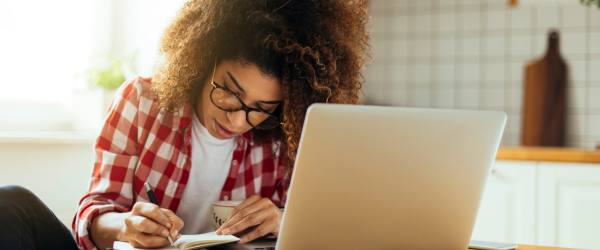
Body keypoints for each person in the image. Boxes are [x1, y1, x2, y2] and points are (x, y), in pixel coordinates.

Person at [0, 0, 370, 249]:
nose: (237, 119)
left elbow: (320, 227)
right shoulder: (142, 100)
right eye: (228, 91)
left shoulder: (285, 135)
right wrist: (125, 225)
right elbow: (93, 213)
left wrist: (282, 218)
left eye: (261, 109)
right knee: (11, 203)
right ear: (203, 58)